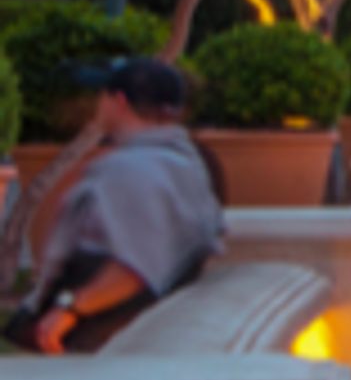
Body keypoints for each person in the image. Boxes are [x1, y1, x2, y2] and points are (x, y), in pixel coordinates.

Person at [5, 59, 226, 356]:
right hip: (135, 332)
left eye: (102, 95)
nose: (97, 103)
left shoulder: (132, 169)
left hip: (96, 337)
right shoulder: (186, 161)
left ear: (119, 102)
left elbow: (137, 265)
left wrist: (69, 309)